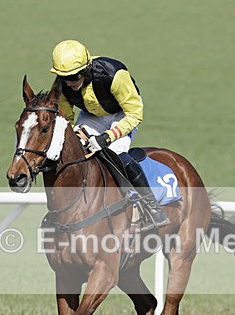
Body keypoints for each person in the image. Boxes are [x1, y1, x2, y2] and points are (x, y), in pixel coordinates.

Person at [49, 39, 169, 229]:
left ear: (86, 69)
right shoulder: (64, 82)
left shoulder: (114, 74)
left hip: (122, 114)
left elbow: (135, 114)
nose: (68, 82)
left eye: (73, 77)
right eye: (64, 78)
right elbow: (66, 118)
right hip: (91, 115)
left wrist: (106, 137)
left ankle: (153, 207)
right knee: (77, 151)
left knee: (116, 154)